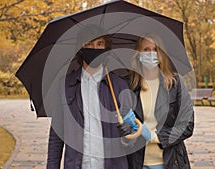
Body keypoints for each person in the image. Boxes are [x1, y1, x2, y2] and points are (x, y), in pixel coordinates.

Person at [46, 25, 133, 169]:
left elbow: (132, 137)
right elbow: (56, 133)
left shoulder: (119, 86)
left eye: (100, 44)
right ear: (80, 48)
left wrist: (128, 133)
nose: (94, 48)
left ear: (106, 48)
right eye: (89, 44)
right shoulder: (66, 86)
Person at [123, 34, 194, 169]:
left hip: (170, 161)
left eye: (155, 49)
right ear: (138, 54)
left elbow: (187, 125)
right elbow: (124, 127)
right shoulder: (130, 86)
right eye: (146, 50)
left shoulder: (175, 84)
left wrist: (154, 137)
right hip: (137, 162)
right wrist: (125, 131)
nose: (151, 54)